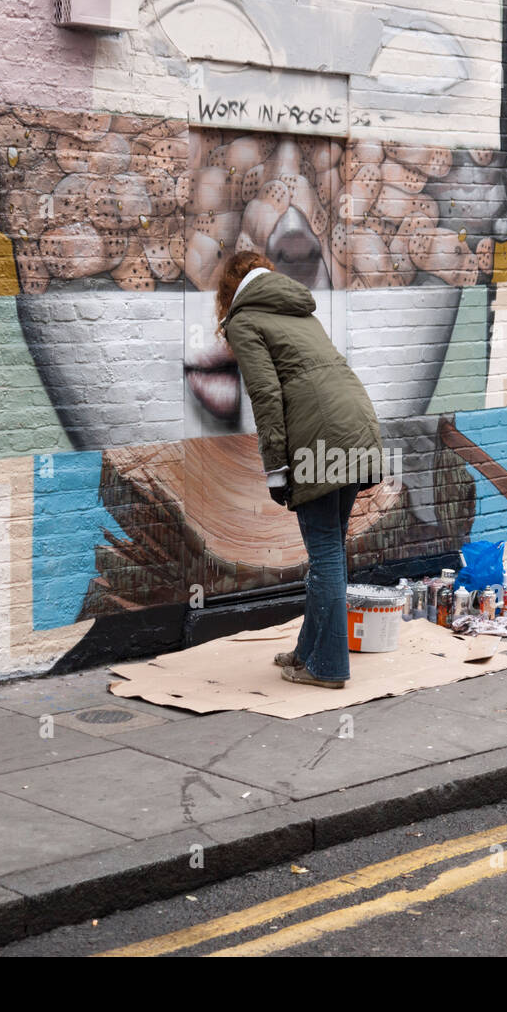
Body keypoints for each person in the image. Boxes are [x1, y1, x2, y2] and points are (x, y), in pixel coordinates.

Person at [216, 251, 385, 690]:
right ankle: (307, 651)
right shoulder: (295, 308)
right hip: (356, 422)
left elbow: (266, 396)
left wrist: (276, 467)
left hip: (321, 435)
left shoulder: (245, 321)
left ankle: (327, 667)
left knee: (325, 551)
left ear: (229, 291)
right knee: (329, 549)